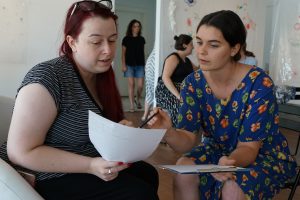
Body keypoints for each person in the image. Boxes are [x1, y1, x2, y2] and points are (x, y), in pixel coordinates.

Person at [0, 1, 159, 199]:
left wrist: (119, 131)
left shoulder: (100, 76)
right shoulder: (48, 77)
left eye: (112, 40)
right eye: (96, 42)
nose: (108, 51)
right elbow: (20, 152)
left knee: (148, 174)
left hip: (84, 162)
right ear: (72, 41)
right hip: (44, 175)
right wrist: (90, 165)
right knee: (138, 193)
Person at [148, 10, 297, 200]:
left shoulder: (258, 83)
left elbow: (250, 148)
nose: (201, 51)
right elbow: (187, 138)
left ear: (234, 49)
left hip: (261, 154)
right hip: (217, 151)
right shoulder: (193, 83)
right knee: (183, 170)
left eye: (214, 45)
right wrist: (168, 131)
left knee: (233, 187)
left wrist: (230, 161)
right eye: (199, 42)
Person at [156, 34, 197, 126]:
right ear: (184, 45)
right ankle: (175, 134)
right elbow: (165, 78)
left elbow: (197, 71)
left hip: (180, 90)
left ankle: (185, 131)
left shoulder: (187, 60)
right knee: (179, 107)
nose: (193, 47)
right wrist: (178, 96)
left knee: (195, 105)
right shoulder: (173, 58)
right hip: (167, 91)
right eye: (191, 44)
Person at [122, 19, 146, 112]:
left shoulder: (142, 39)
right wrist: (123, 65)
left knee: (140, 85)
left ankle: (138, 99)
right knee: (131, 84)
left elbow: (142, 53)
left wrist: (145, 66)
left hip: (140, 65)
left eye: (138, 26)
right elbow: (123, 53)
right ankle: (132, 105)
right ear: (131, 27)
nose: (137, 28)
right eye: (135, 26)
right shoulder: (126, 39)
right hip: (129, 65)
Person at [141, 47, 156, 122]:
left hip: (150, 64)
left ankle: (145, 116)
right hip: (152, 65)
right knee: (152, 92)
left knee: (150, 91)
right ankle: (147, 116)